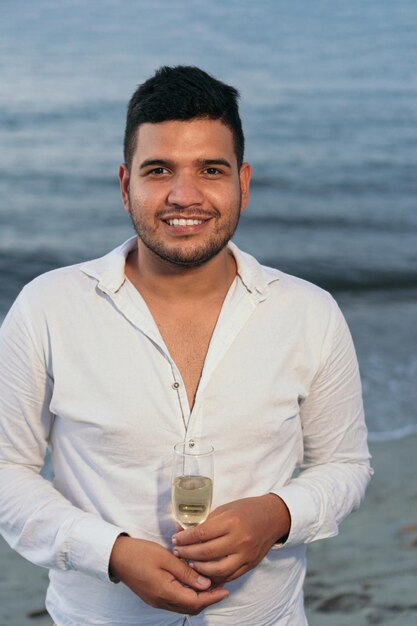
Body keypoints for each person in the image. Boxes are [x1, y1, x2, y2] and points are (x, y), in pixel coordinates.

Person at [0, 66, 372, 626]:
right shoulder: (47, 306)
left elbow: (345, 464)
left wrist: (277, 514)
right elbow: (6, 469)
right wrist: (113, 553)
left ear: (242, 182)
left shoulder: (309, 312)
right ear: (126, 185)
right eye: (159, 170)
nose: (184, 195)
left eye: (210, 169)